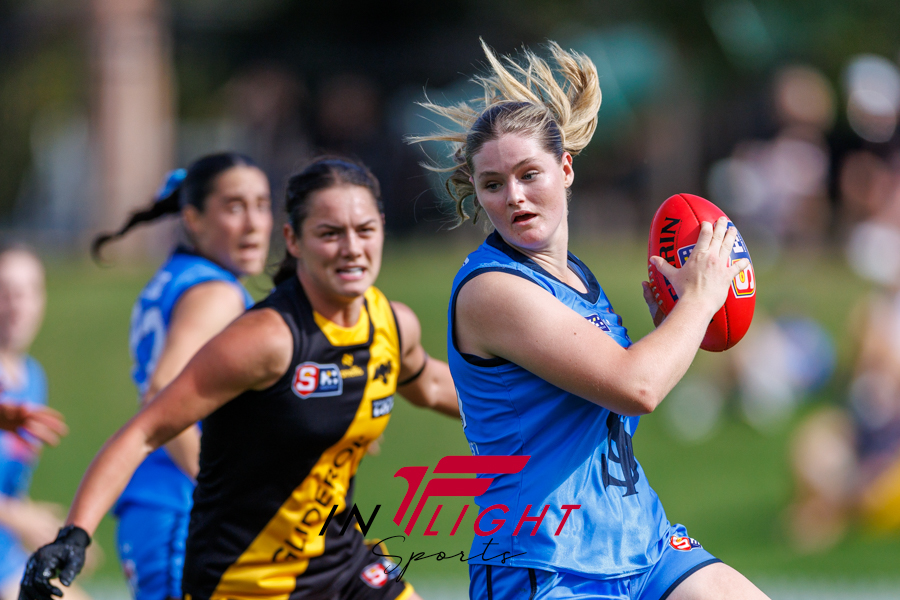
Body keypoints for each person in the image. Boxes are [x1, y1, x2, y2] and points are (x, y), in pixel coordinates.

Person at [408, 40, 769, 600]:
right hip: (550, 566)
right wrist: (699, 301)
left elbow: (610, 403)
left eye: (529, 174)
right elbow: (637, 387)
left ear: (566, 168)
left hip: (642, 544)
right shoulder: (491, 291)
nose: (514, 197)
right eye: (493, 184)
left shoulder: (576, 278)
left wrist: (672, 329)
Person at [20, 157, 459, 600]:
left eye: (365, 230)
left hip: (340, 560)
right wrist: (73, 536)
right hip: (249, 581)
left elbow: (433, 386)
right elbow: (146, 429)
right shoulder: (265, 338)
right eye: (329, 233)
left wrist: (508, 406)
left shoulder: (392, 323)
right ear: (293, 240)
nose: (352, 248)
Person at [91, 152, 274, 600]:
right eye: (234, 207)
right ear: (192, 219)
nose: (254, 223)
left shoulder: (176, 278)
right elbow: (160, 390)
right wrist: (220, 492)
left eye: (262, 204)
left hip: (161, 506)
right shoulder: (214, 293)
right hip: (180, 507)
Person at [0, 246, 76, 600]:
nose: (17, 305)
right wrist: (18, 518)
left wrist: (44, 531)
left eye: (28, 291)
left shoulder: (33, 379)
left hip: (8, 563)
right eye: (5, 291)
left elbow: (10, 491)